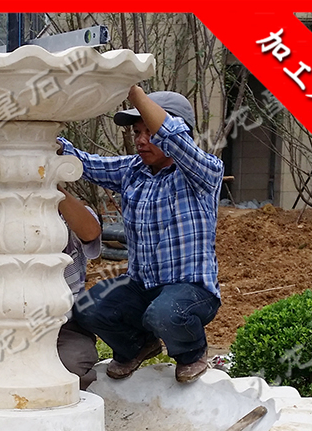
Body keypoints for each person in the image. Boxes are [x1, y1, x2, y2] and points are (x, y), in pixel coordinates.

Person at [58, 86, 224, 383]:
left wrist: (132, 91)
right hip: (142, 286)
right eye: (137, 132)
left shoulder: (203, 172)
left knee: (164, 313)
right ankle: (137, 346)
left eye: (150, 132)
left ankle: (192, 353)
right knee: (87, 307)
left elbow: (174, 138)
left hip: (191, 289)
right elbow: (84, 163)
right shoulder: (133, 170)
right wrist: (48, 140)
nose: (141, 140)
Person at [0, 145, 103, 389]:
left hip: (65, 324)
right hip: (9, 325)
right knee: (6, 378)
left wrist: (47, 183)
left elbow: (90, 231)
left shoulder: (65, 216)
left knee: (67, 371)